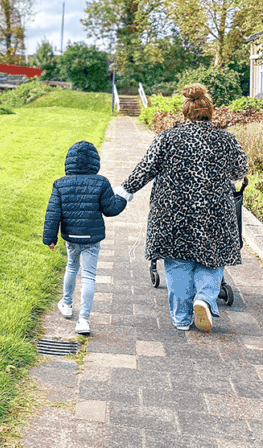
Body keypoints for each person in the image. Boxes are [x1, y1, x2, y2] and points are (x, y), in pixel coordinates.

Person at [123, 83, 248, 332]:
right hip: (214, 214)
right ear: (210, 112)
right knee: (211, 261)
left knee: (178, 263)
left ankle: (181, 319)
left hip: (172, 214)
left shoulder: (168, 138)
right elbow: (239, 171)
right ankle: (203, 299)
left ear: (185, 112)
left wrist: (126, 191)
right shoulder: (226, 140)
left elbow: (145, 169)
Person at [43, 140, 132, 336]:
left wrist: (50, 238)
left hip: (70, 236)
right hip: (91, 238)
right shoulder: (101, 182)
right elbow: (111, 209)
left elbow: (52, 213)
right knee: (89, 275)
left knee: (71, 267)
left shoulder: (60, 184)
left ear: (69, 162)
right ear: (95, 162)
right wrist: (124, 196)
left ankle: (66, 304)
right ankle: (83, 320)